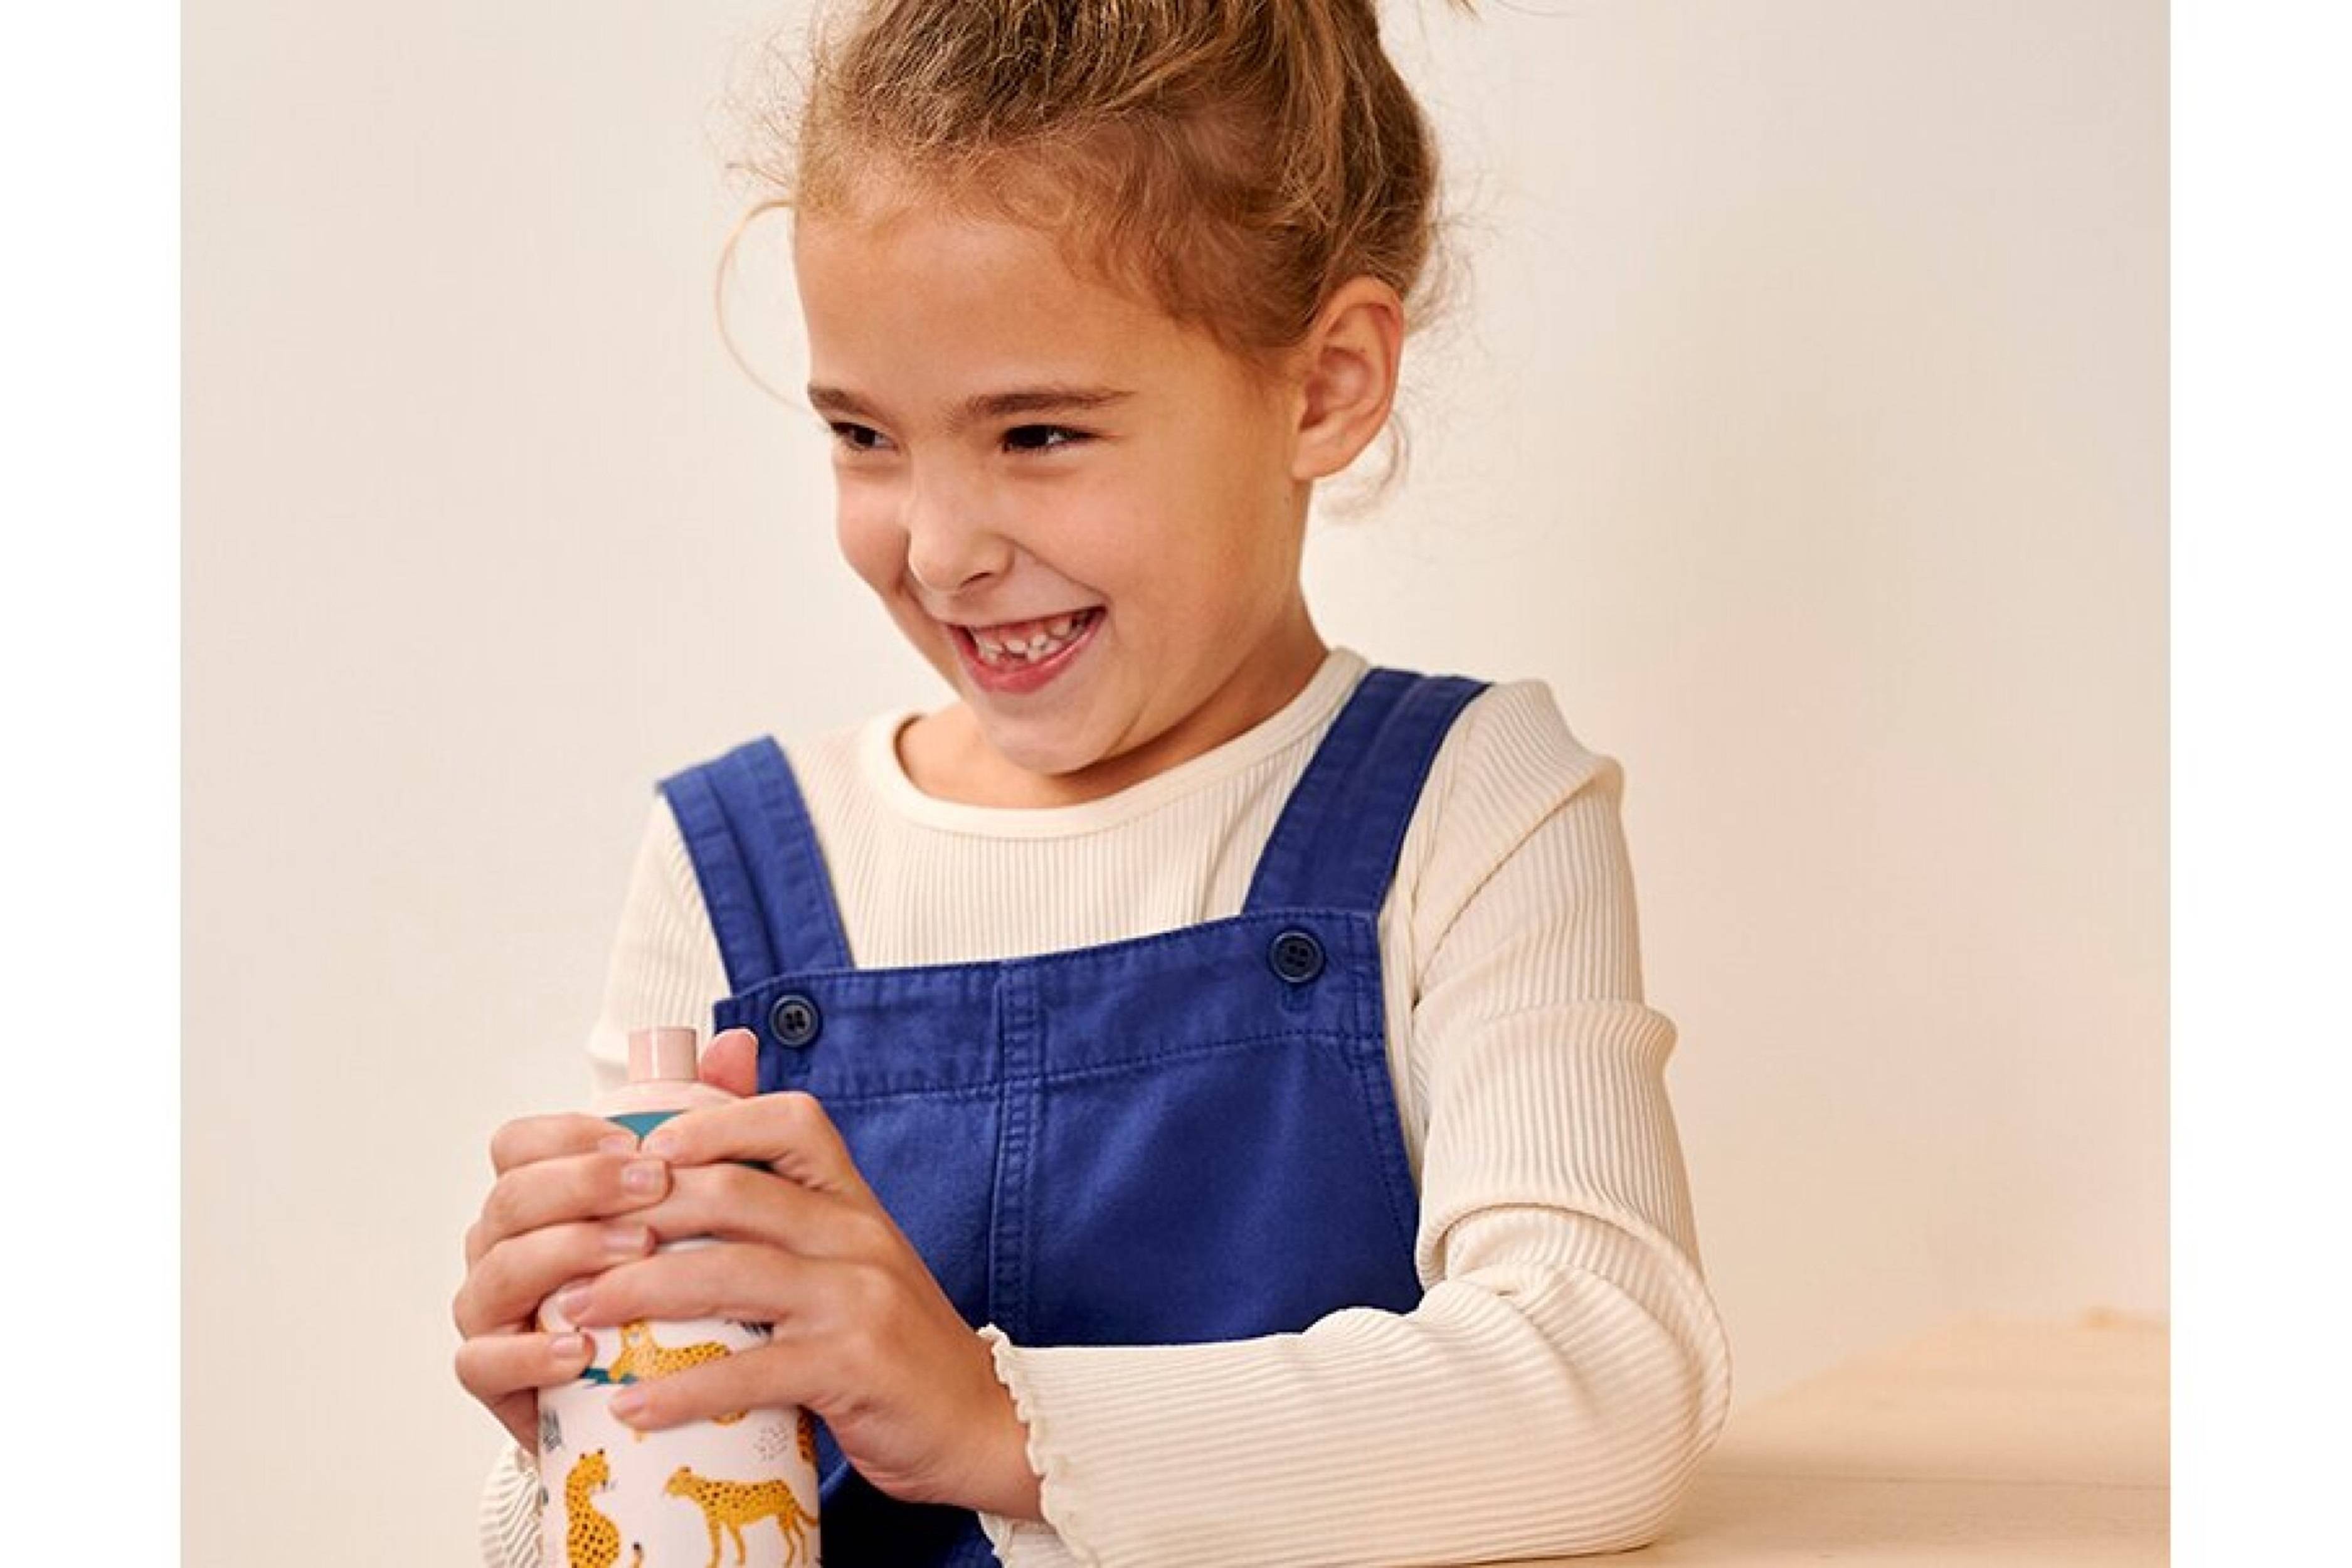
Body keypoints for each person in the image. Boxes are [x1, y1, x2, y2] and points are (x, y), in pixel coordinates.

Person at [451, 2, 1734, 1564]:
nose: (938, 547)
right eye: (864, 434)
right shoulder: (727, 864)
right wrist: (589, 1438)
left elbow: (1603, 1384)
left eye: (1038, 431)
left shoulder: (1471, 805)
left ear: (1324, 386)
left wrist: (998, 1420)